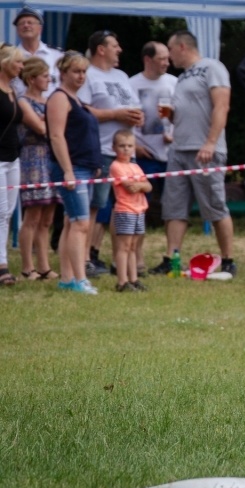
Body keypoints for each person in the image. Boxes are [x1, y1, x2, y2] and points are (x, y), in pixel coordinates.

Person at [151, 30, 237, 276]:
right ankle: (171, 259)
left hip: (205, 150)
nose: (168, 57)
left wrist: (210, 143)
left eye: (170, 50)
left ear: (181, 46)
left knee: (215, 206)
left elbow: (222, 105)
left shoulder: (212, 67)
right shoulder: (182, 77)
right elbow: (187, 112)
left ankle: (228, 260)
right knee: (174, 208)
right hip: (178, 149)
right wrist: (172, 116)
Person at [78, 30, 144, 277]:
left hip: (127, 151)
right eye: (115, 46)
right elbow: (82, 111)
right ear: (101, 49)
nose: (120, 50)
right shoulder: (88, 75)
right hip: (102, 150)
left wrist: (137, 116)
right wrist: (115, 115)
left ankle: (122, 260)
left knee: (126, 205)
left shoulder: (121, 76)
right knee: (95, 206)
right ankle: (85, 259)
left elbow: (133, 106)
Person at [46, 51, 102, 295]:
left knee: (72, 222)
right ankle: (80, 279)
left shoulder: (77, 100)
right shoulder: (59, 98)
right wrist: (68, 171)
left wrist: (94, 162)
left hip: (84, 167)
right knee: (80, 223)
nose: (81, 76)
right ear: (63, 73)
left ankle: (68, 278)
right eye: (76, 71)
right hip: (72, 168)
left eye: (84, 72)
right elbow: (56, 136)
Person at [128, 41, 177, 275]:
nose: (167, 62)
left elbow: (183, 116)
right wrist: (134, 146)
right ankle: (136, 258)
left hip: (171, 155)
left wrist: (174, 135)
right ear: (147, 59)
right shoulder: (131, 84)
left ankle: (171, 257)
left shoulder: (175, 83)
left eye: (168, 58)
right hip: (143, 155)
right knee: (139, 207)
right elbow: (124, 120)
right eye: (162, 58)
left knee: (173, 208)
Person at [17, 56, 59, 281]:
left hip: (51, 158)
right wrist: (50, 122)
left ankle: (44, 266)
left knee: (47, 218)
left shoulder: (49, 101)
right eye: (44, 76)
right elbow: (41, 128)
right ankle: (27, 266)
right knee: (32, 216)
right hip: (33, 158)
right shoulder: (23, 101)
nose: (49, 80)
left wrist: (48, 121)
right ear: (32, 79)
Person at [110, 129, 151, 291]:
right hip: (125, 210)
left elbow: (148, 186)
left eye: (129, 146)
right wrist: (141, 185)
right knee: (124, 247)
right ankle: (122, 281)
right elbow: (130, 187)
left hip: (139, 210)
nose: (126, 149)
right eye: (122, 146)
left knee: (134, 247)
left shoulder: (136, 166)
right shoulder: (116, 166)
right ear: (114, 148)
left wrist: (140, 185)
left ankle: (133, 279)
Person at [0, 45, 24, 286]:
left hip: (13, 157)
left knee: (7, 213)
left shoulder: (13, 89)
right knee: (0, 213)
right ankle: (2, 265)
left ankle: (2, 259)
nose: (21, 66)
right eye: (18, 62)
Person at [10, 6, 62, 98]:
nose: (26, 25)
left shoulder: (57, 55)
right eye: (22, 23)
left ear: (40, 29)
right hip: (19, 105)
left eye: (30, 23)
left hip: (52, 105)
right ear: (17, 30)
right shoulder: (11, 58)